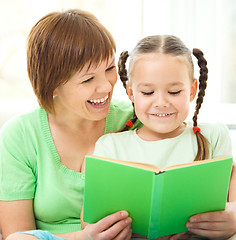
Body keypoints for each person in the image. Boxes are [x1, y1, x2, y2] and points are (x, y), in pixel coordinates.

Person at [0, 9, 142, 240]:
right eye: (88, 79)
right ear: (53, 86)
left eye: (109, 68)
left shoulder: (135, 120)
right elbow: (16, 235)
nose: (106, 86)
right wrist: (86, 238)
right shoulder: (19, 136)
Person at [91, 35, 236, 239]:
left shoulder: (213, 136)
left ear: (192, 90)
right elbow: (90, 223)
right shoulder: (110, 147)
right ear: (132, 93)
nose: (161, 102)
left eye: (174, 91)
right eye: (148, 92)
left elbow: (233, 203)